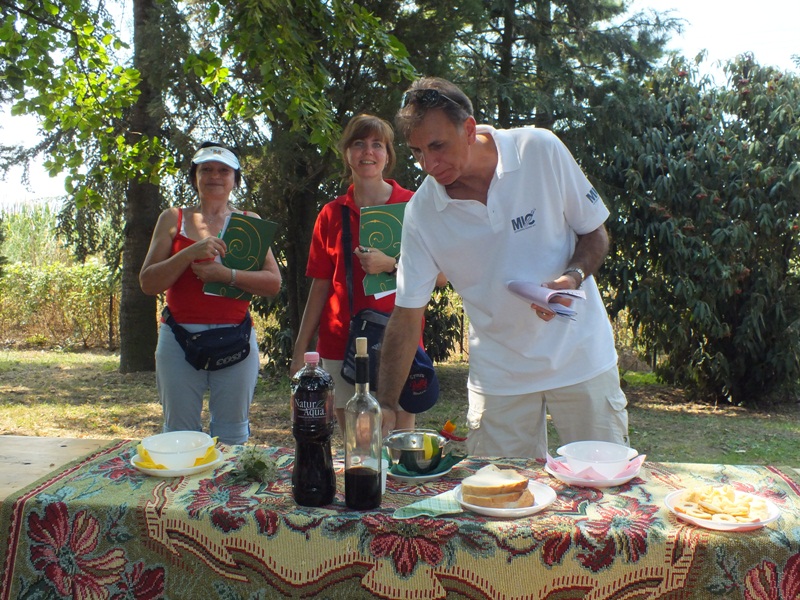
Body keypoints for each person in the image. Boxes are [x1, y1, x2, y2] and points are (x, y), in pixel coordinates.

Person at [377, 77, 629, 459]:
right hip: (499, 378)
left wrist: (571, 278)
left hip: (582, 359)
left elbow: (594, 232)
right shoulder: (422, 212)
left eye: (437, 146)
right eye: (416, 152)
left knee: (603, 484)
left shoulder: (539, 149)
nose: (428, 164)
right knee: (496, 493)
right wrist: (384, 404)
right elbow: (407, 313)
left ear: (468, 129)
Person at [291, 114, 442, 430]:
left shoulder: (413, 206)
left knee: (399, 445)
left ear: (388, 155)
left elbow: (441, 277)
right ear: (346, 153)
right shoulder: (331, 214)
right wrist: (301, 348)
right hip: (340, 344)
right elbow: (320, 286)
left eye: (377, 144)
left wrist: (392, 265)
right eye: (359, 143)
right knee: (357, 447)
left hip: (399, 341)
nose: (368, 152)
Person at [139, 142, 281, 445]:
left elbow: (273, 283)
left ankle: (227, 480)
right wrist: (189, 253)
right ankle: (182, 479)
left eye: (223, 171)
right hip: (179, 339)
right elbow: (148, 283)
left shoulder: (249, 221)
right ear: (195, 177)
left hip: (236, 338)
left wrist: (226, 275)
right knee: (179, 435)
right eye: (206, 170)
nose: (215, 176)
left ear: (235, 180)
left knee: (232, 435)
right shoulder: (173, 219)